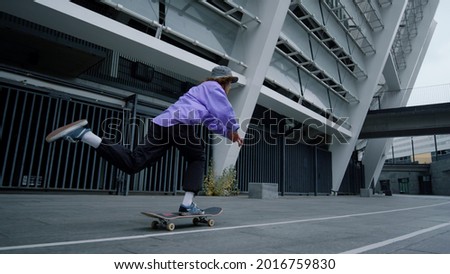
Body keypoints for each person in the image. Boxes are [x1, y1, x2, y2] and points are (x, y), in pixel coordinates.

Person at [46, 65, 243, 215]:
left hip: (162, 124)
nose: (229, 89)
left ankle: (86, 135)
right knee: (197, 158)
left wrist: (228, 134)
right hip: (182, 124)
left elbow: (210, 119)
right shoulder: (212, 86)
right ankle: (187, 203)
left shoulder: (199, 93)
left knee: (134, 162)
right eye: (229, 85)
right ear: (224, 81)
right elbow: (224, 110)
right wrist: (234, 128)